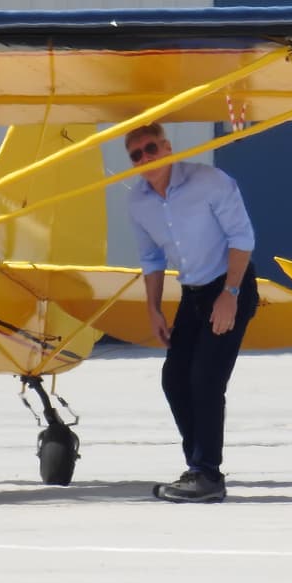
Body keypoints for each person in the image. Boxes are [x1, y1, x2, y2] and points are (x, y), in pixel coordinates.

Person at [124, 122, 258, 504]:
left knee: (205, 378)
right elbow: (150, 258)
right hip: (193, 293)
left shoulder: (210, 182)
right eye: (136, 155)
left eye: (151, 148)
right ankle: (197, 468)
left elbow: (242, 239)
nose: (145, 158)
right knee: (174, 378)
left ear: (167, 147)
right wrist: (153, 309)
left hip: (230, 285)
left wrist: (230, 295)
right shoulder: (138, 202)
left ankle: (207, 473)